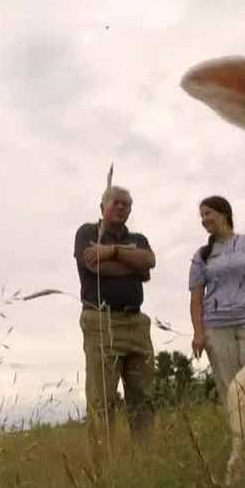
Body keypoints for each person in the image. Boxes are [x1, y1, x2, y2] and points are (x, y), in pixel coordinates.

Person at [74, 184, 157, 455]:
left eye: (126, 204)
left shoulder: (138, 237)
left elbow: (149, 263)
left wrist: (112, 252)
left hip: (136, 323)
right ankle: (103, 467)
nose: (121, 207)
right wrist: (133, 267)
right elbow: (93, 265)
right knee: (102, 399)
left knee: (143, 396)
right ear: (103, 206)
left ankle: (145, 459)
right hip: (101, 321)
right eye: (116, 203)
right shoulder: (88, 232)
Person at [188, 195, 245, 405]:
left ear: (224, 213)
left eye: (208, 213)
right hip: (217, 326)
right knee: (230, 387)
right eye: (201, 215)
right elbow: (196, 299)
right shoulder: (202, 255)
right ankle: (240, 434)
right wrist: (198, 333)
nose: (203, 219)